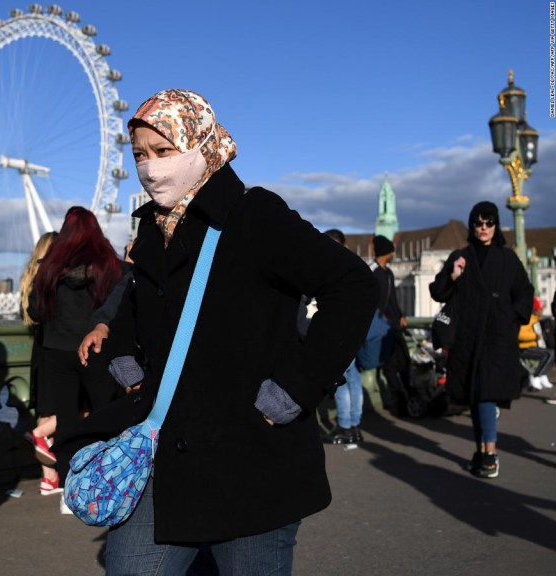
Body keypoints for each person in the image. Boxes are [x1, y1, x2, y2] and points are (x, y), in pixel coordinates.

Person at [77, 89, 378, 574]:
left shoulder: (253, 216)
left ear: (199, 144)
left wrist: (295, 387)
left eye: (163, 150)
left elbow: (354, 285)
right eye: (139, 154)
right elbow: (139, 300)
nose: (150, 167)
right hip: (165, 454)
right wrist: (124, 355)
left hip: (250, 459)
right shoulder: (152, 227)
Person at [26, 206, 124, 510]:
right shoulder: (108, 266)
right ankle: (109, 484)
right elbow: (119, 306)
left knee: (67, 423)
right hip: (94, 350)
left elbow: (36, 311)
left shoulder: (50, 268)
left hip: (56, 352)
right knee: (106, 415)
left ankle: (71, 493)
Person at [429, 201, 533, 479]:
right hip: (467, 338)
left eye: (489, 222)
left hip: (496, 338)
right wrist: (453, 276)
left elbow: (525, 293)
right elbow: (438, 292)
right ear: (472, 226)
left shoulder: (508, 259)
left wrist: (510, 317)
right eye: (478, 223)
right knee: (474, 397)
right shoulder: (461, 256)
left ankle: (490, 453)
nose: (483, 228)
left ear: (496, 225)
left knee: (485, 394)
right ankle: (480, 450)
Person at [18, 231, 60, 495]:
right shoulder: (51, 278)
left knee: (46, 409)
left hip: (38, 351)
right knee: (70, 407)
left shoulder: (29, 276)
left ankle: (49, 479)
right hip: (55, 348)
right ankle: (37, 432)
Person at [324, 229, 365, 448]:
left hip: (338, 331)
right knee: (354, 380)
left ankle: (344, 426)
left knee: (340, 382)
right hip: (354, 330)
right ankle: (355, 426)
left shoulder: (332, 269)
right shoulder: (353, 267)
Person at [370, 234, 409, 412]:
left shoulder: (389, 273)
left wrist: (400, 315)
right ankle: (398, 401)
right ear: (386, 253)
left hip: (393, 325)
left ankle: (407, 395)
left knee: (404, 359)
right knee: (390, 365)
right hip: (381, 325)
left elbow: (392, 299)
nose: (393, 255)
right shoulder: (373, 272)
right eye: (392, 252)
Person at [519, 297, 553, 391]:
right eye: (540, 309)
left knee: (550, 353)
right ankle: (536, 376)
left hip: (533, 346)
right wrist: (536, 336)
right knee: (549, 354)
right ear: (535, 310)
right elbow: (520, 335)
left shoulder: (537, 319)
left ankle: (542, 375)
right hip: (525, 348)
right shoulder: (528, 319)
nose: (542, 311)